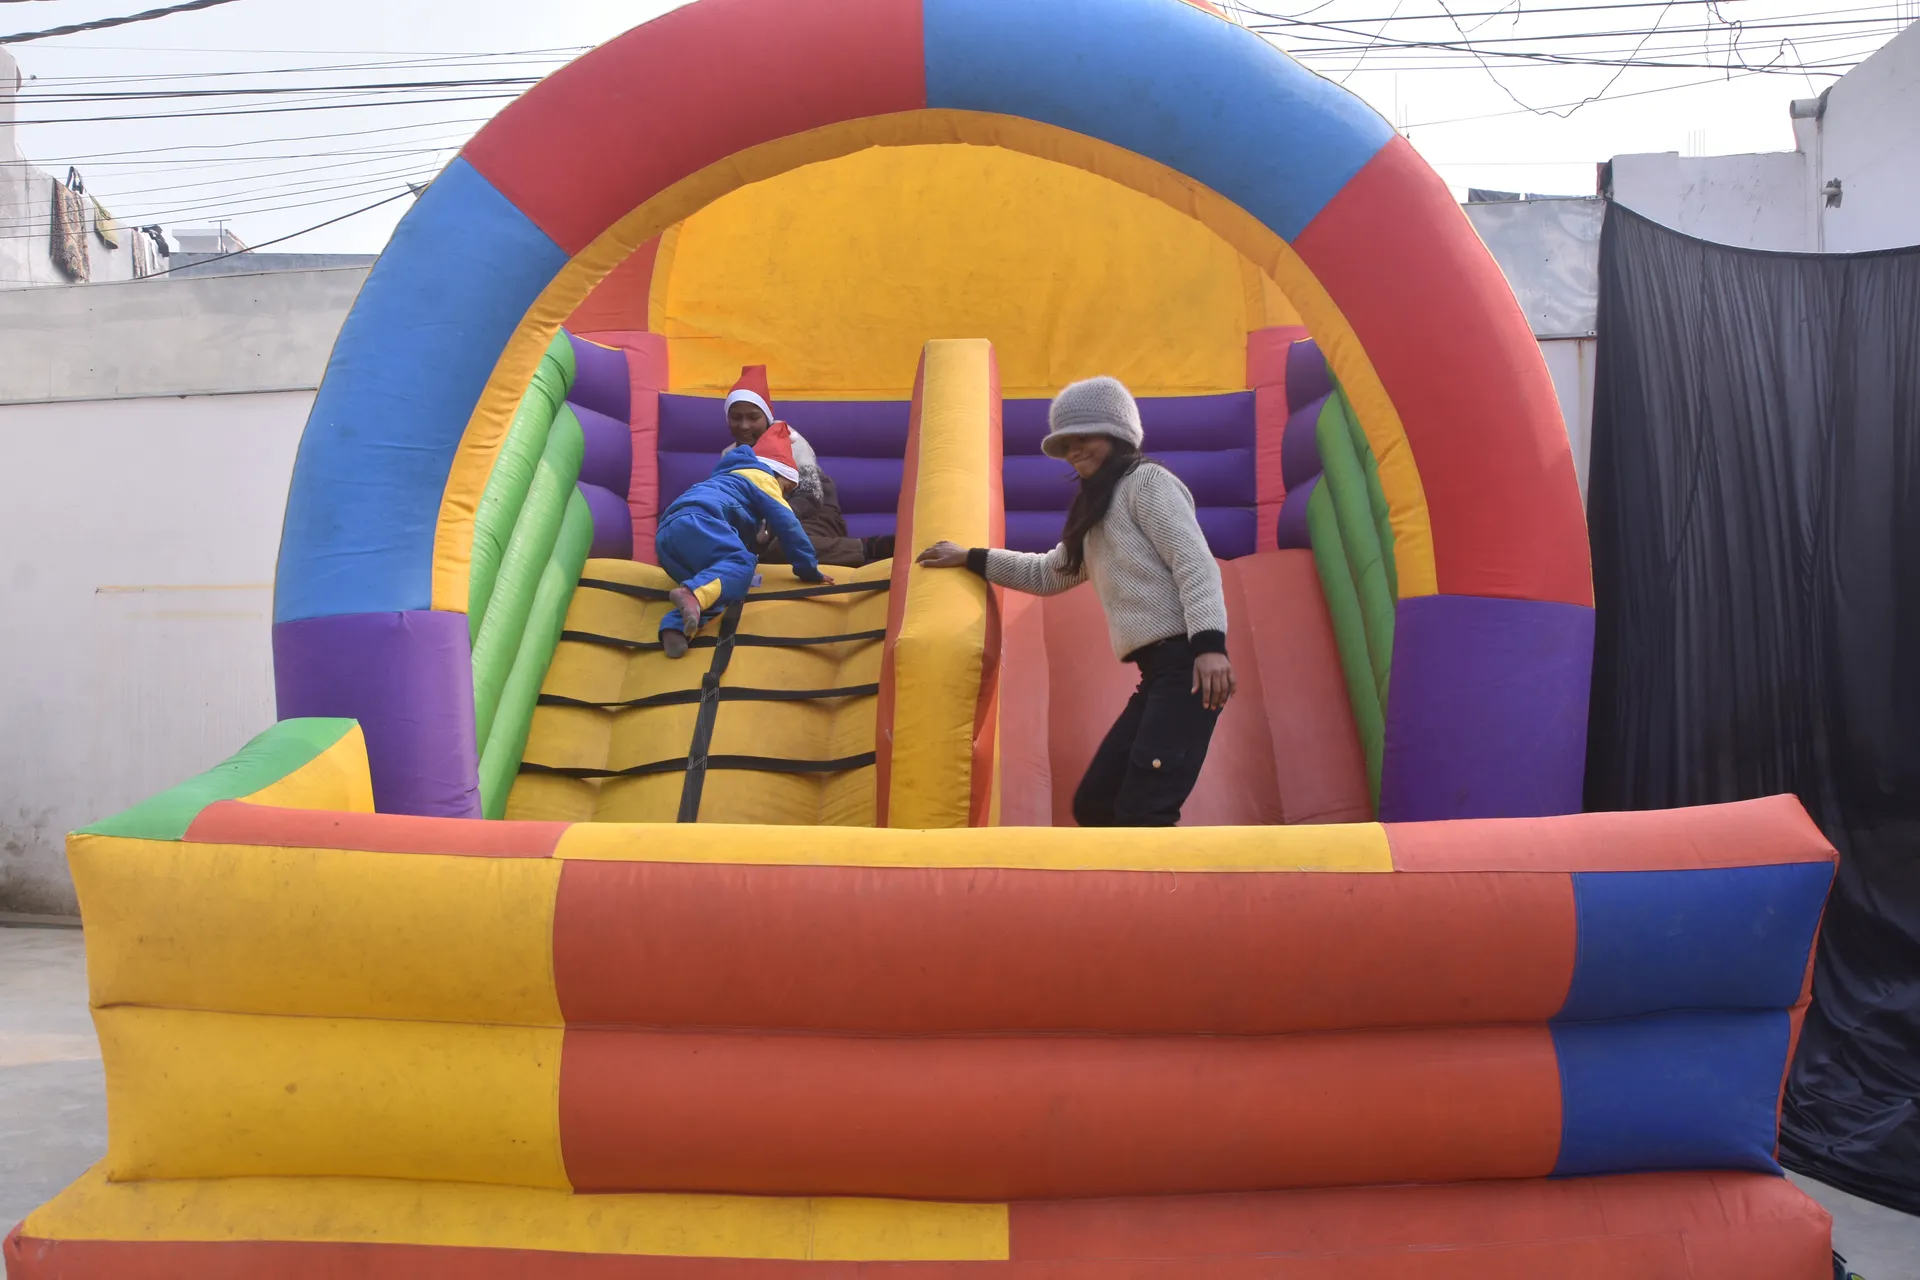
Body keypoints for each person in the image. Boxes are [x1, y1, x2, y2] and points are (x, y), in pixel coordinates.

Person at [917, 375, 1235, 827]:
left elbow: (1195, 563)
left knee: (1145, 808)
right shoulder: (1099, 506)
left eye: (1083, 437)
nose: (1074, 451)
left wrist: (1210, 647)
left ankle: (1155, 896)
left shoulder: (1147, 483)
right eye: (1065, 444)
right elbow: (1048, 574)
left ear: (1116, 432)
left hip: (1187, 665)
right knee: (1095, 803)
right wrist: (970, 557)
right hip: (1159, 672)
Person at [654, 419, 829, 659]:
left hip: (667, 535)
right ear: (777, 472)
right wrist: (808, 568)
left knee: (722, 587)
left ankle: (676, 628)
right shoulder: (763, 478)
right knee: (742, 564)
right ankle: (691, 595)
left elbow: (739, 534)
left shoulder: (729, 480)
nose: (784, 495)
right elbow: (789, 527)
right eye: (786, 489)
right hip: (702, 520)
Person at [724, 366, 896, 567]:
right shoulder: (728, 456)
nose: (744, 426)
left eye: (753, 418)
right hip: (766, 523)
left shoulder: (790, 441)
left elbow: (812, 497)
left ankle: (871, 548)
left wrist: (772, 525)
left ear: (767, 418)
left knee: (784, 545)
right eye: (736, 418)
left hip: (814, 515)